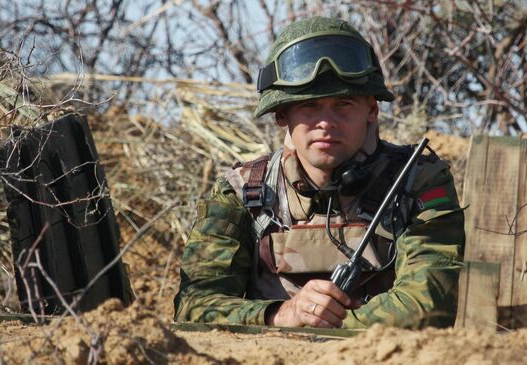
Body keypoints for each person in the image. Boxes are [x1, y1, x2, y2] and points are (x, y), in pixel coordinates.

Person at [174, 16, 465, 329]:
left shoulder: (417, 180)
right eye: (310, 106)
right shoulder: (242, 192)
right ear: (282, 114)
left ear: (371, 109)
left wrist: (333, 322)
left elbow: (430, 301)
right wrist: (281, 314)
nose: (326, 122)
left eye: (343, 104)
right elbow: (195, 303)